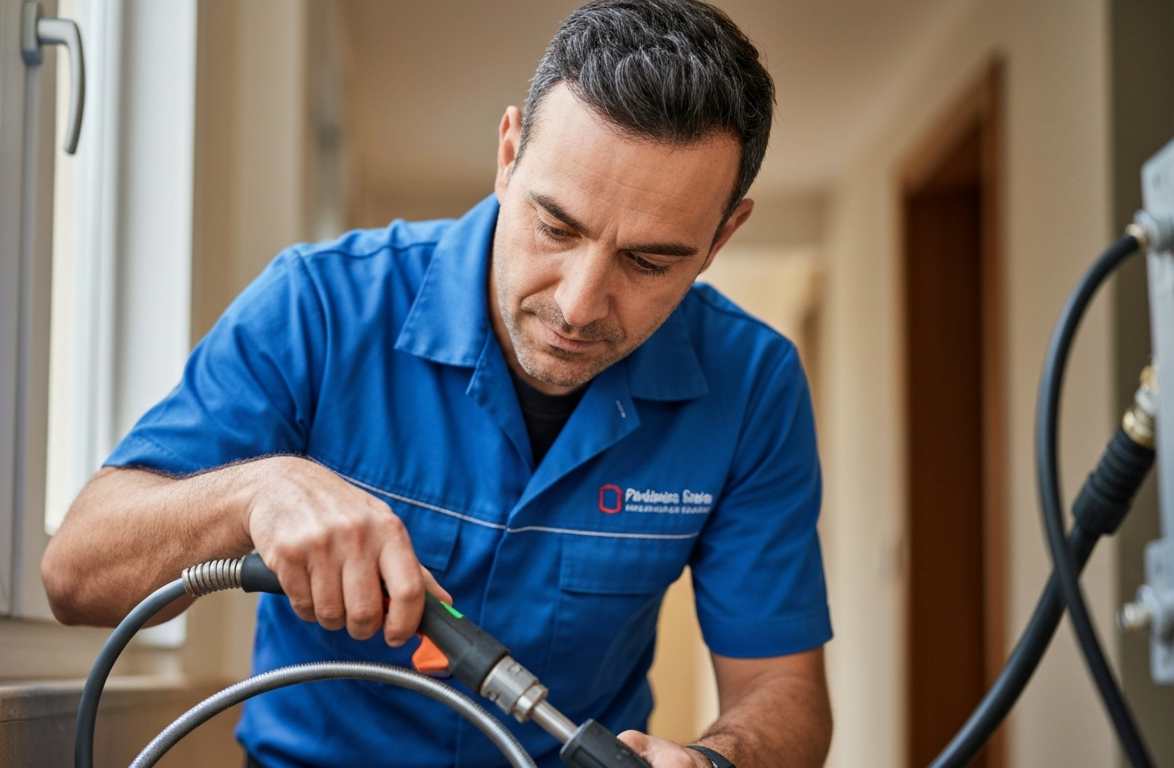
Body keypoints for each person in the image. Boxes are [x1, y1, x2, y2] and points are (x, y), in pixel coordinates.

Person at [42, 1, 832, 766]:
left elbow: (782, 689)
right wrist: (256, 492)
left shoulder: (753, 384)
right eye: (557, 227)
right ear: (508, 154)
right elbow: (76, 576)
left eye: (649, 261)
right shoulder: (320, 306)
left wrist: (715, 760)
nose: (578, 304)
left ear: (722, 235)